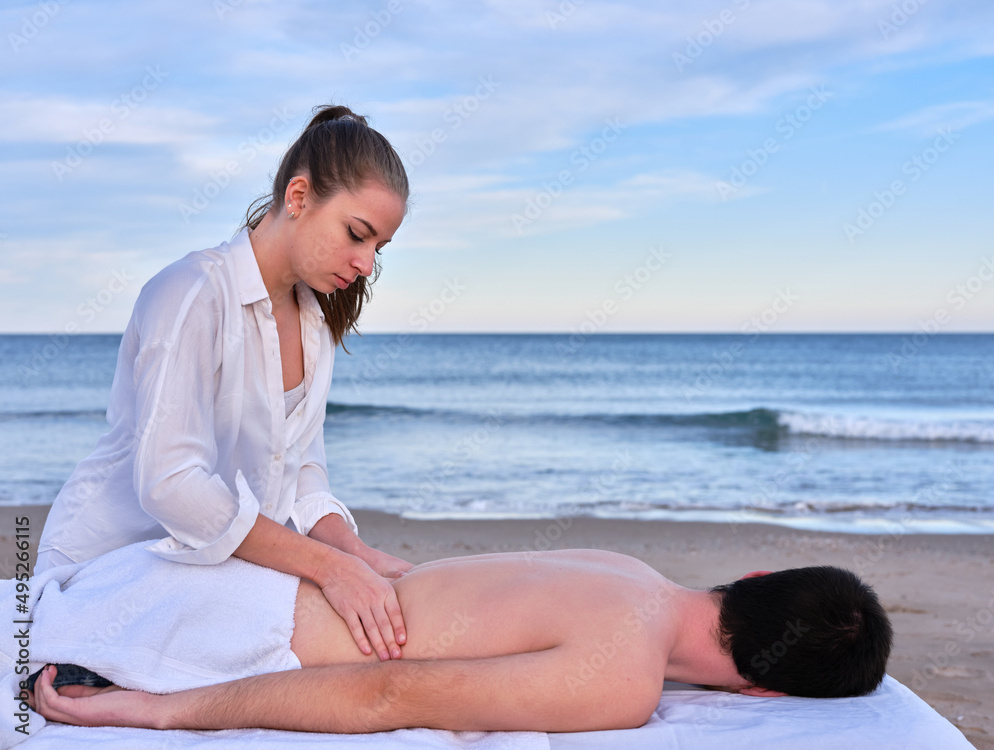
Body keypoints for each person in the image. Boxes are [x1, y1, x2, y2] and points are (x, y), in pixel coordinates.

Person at [36, 105, 413, 662]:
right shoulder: (190, 294)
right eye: (357, 235)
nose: (364, 263)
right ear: (299, 197)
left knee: (382, 622)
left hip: (208, 573)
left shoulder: (314, 321)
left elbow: (303, 469)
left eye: (377, 249)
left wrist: (357, 554)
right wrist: (327, 567)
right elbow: (172, 485)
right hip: (108, 572)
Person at [28, 544, 893, 734]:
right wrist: (158, 709)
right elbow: (389, 692)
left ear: (748, 581)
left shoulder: (625, 566)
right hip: (208, 636)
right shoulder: (623, 678)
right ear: (768, 690)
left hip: (214, 580)